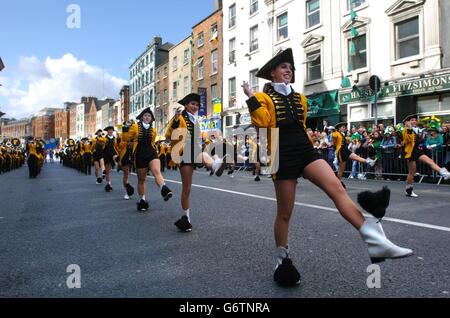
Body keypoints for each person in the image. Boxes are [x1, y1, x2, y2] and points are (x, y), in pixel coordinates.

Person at [241, 48, 413, 287]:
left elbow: (301, 125)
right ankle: (282, 259)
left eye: (290, 68)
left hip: (305, 149)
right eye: (283, 67)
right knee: (285, 212)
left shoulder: (299, 97)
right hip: (281, 152)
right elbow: (263, 125)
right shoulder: (262, 98)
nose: (288, 70)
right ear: (273, 73)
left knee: (337, 189)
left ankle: (375, 241)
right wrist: (251, 97)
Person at [165, 93, 227, 232]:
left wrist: (208, 143)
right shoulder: (180, 118)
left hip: (196, 149)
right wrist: (175, 121)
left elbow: (199, 138)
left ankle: (215, 165)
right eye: (193, 104)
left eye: (197, 105)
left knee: (205, 153)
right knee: (187, 188)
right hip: (184, 152)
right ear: (186, 105)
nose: (195, 106)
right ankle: (185, 217)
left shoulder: (196, 120)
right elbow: (169, 135)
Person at [131, 107, 173, 212]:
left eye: (149, 116)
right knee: (141, 180)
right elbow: (127, 138)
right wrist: (126, 131)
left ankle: (164, 189)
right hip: (140, 154)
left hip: (151, 152)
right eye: (145, 115)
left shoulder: (153, 130)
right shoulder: (135, 127)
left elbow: (152, 142)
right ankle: (142, 200)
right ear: (141, 117)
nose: (147, 117)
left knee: (156, 171)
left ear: (151, 118)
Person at [402, 115, 450, 197]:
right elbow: (408, 140)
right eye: (412, 120)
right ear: (407, 122)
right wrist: (409, 128)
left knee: (430, 161)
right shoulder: (406, 130)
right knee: (411, 173)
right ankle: (409, 190)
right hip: (411, 152)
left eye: (415, 120)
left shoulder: (416, 130)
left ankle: (444, 173)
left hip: (417, 150)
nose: (414, 121)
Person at [118, 120, 136, 200]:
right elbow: (119, 145)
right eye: (127, 123)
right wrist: (126, 143)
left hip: (134, 153)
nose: (128, 124)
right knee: (126, 173)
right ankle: (126, 192)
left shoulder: (135, 131)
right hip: (125, 154)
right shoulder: (122, 133)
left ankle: (142, 195)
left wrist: (132, 142)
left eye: (130, 123)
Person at [103, 126, 119, 192]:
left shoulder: (115, 139)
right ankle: (108, 184)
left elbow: (117, 147)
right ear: (107, 131)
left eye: (111, 130)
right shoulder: (104, 139)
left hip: (114, 153)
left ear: (113, 131)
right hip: (107, 155)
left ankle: (117, 164)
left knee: (115, 157)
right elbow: (102, 148)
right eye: (109, 130)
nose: (110, 131)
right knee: (108, 171)